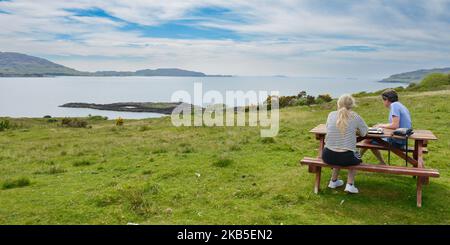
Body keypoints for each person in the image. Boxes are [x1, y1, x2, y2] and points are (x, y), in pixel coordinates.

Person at [322, 94, 368, 194]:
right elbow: (364, 132)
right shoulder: (355, 116)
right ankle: (350, 185)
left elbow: (328, 128)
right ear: (351, 105)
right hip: (346, 157)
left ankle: (333, 181)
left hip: (327, 155)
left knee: (338, 149)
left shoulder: (331, 114)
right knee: (355, 154)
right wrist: (356, 131)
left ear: (338, 104)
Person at [360, 89, 412, 164]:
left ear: (387, 100)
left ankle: (356, 159)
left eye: (383, 100)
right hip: (403, 139)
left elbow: (395, 125)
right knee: (370, 140)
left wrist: (380, 125)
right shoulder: (401, 106)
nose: (383, 102)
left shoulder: (394, 106)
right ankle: (381, 162)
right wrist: (382, 126)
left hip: (397, 141)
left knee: (367, 140)